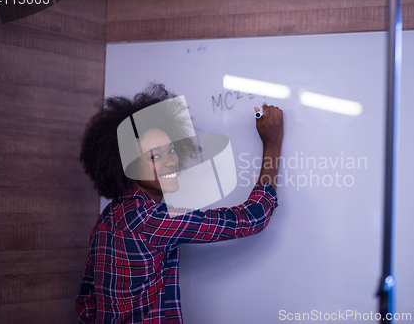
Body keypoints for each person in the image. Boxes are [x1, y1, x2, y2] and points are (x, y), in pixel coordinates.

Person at [75, 83, 283, 323]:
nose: (171, 161)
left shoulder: (111, 215)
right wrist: (272, 145)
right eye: (154, 156)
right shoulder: (152, 221)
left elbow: (86, 303)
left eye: (171, 150)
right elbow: (252, 218)